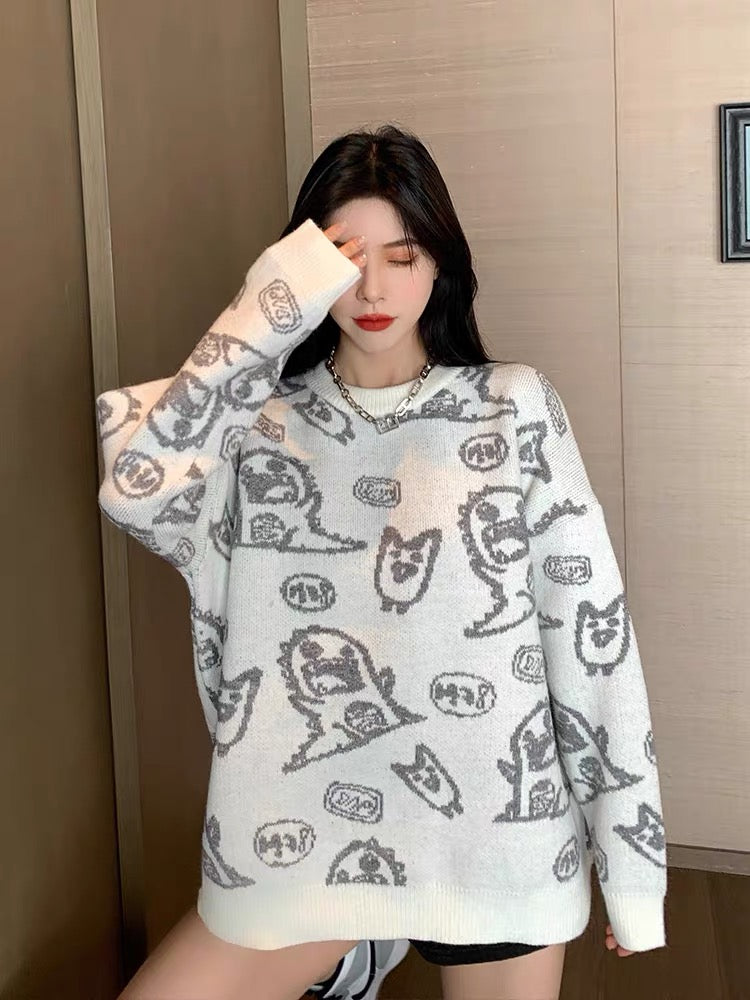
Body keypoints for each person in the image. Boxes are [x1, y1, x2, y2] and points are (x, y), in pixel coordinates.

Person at [96, 124, 667, 1000]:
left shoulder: (511, 407)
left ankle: (365, 955)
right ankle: (357, 952)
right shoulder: (253, 427)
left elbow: (594, 646)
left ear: (441, 265)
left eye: (403, 258)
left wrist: (632, 866)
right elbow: (137, 488)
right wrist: (271, 303)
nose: (373, 289)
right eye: (344, 261)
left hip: (494, 841)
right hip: (296, 835)